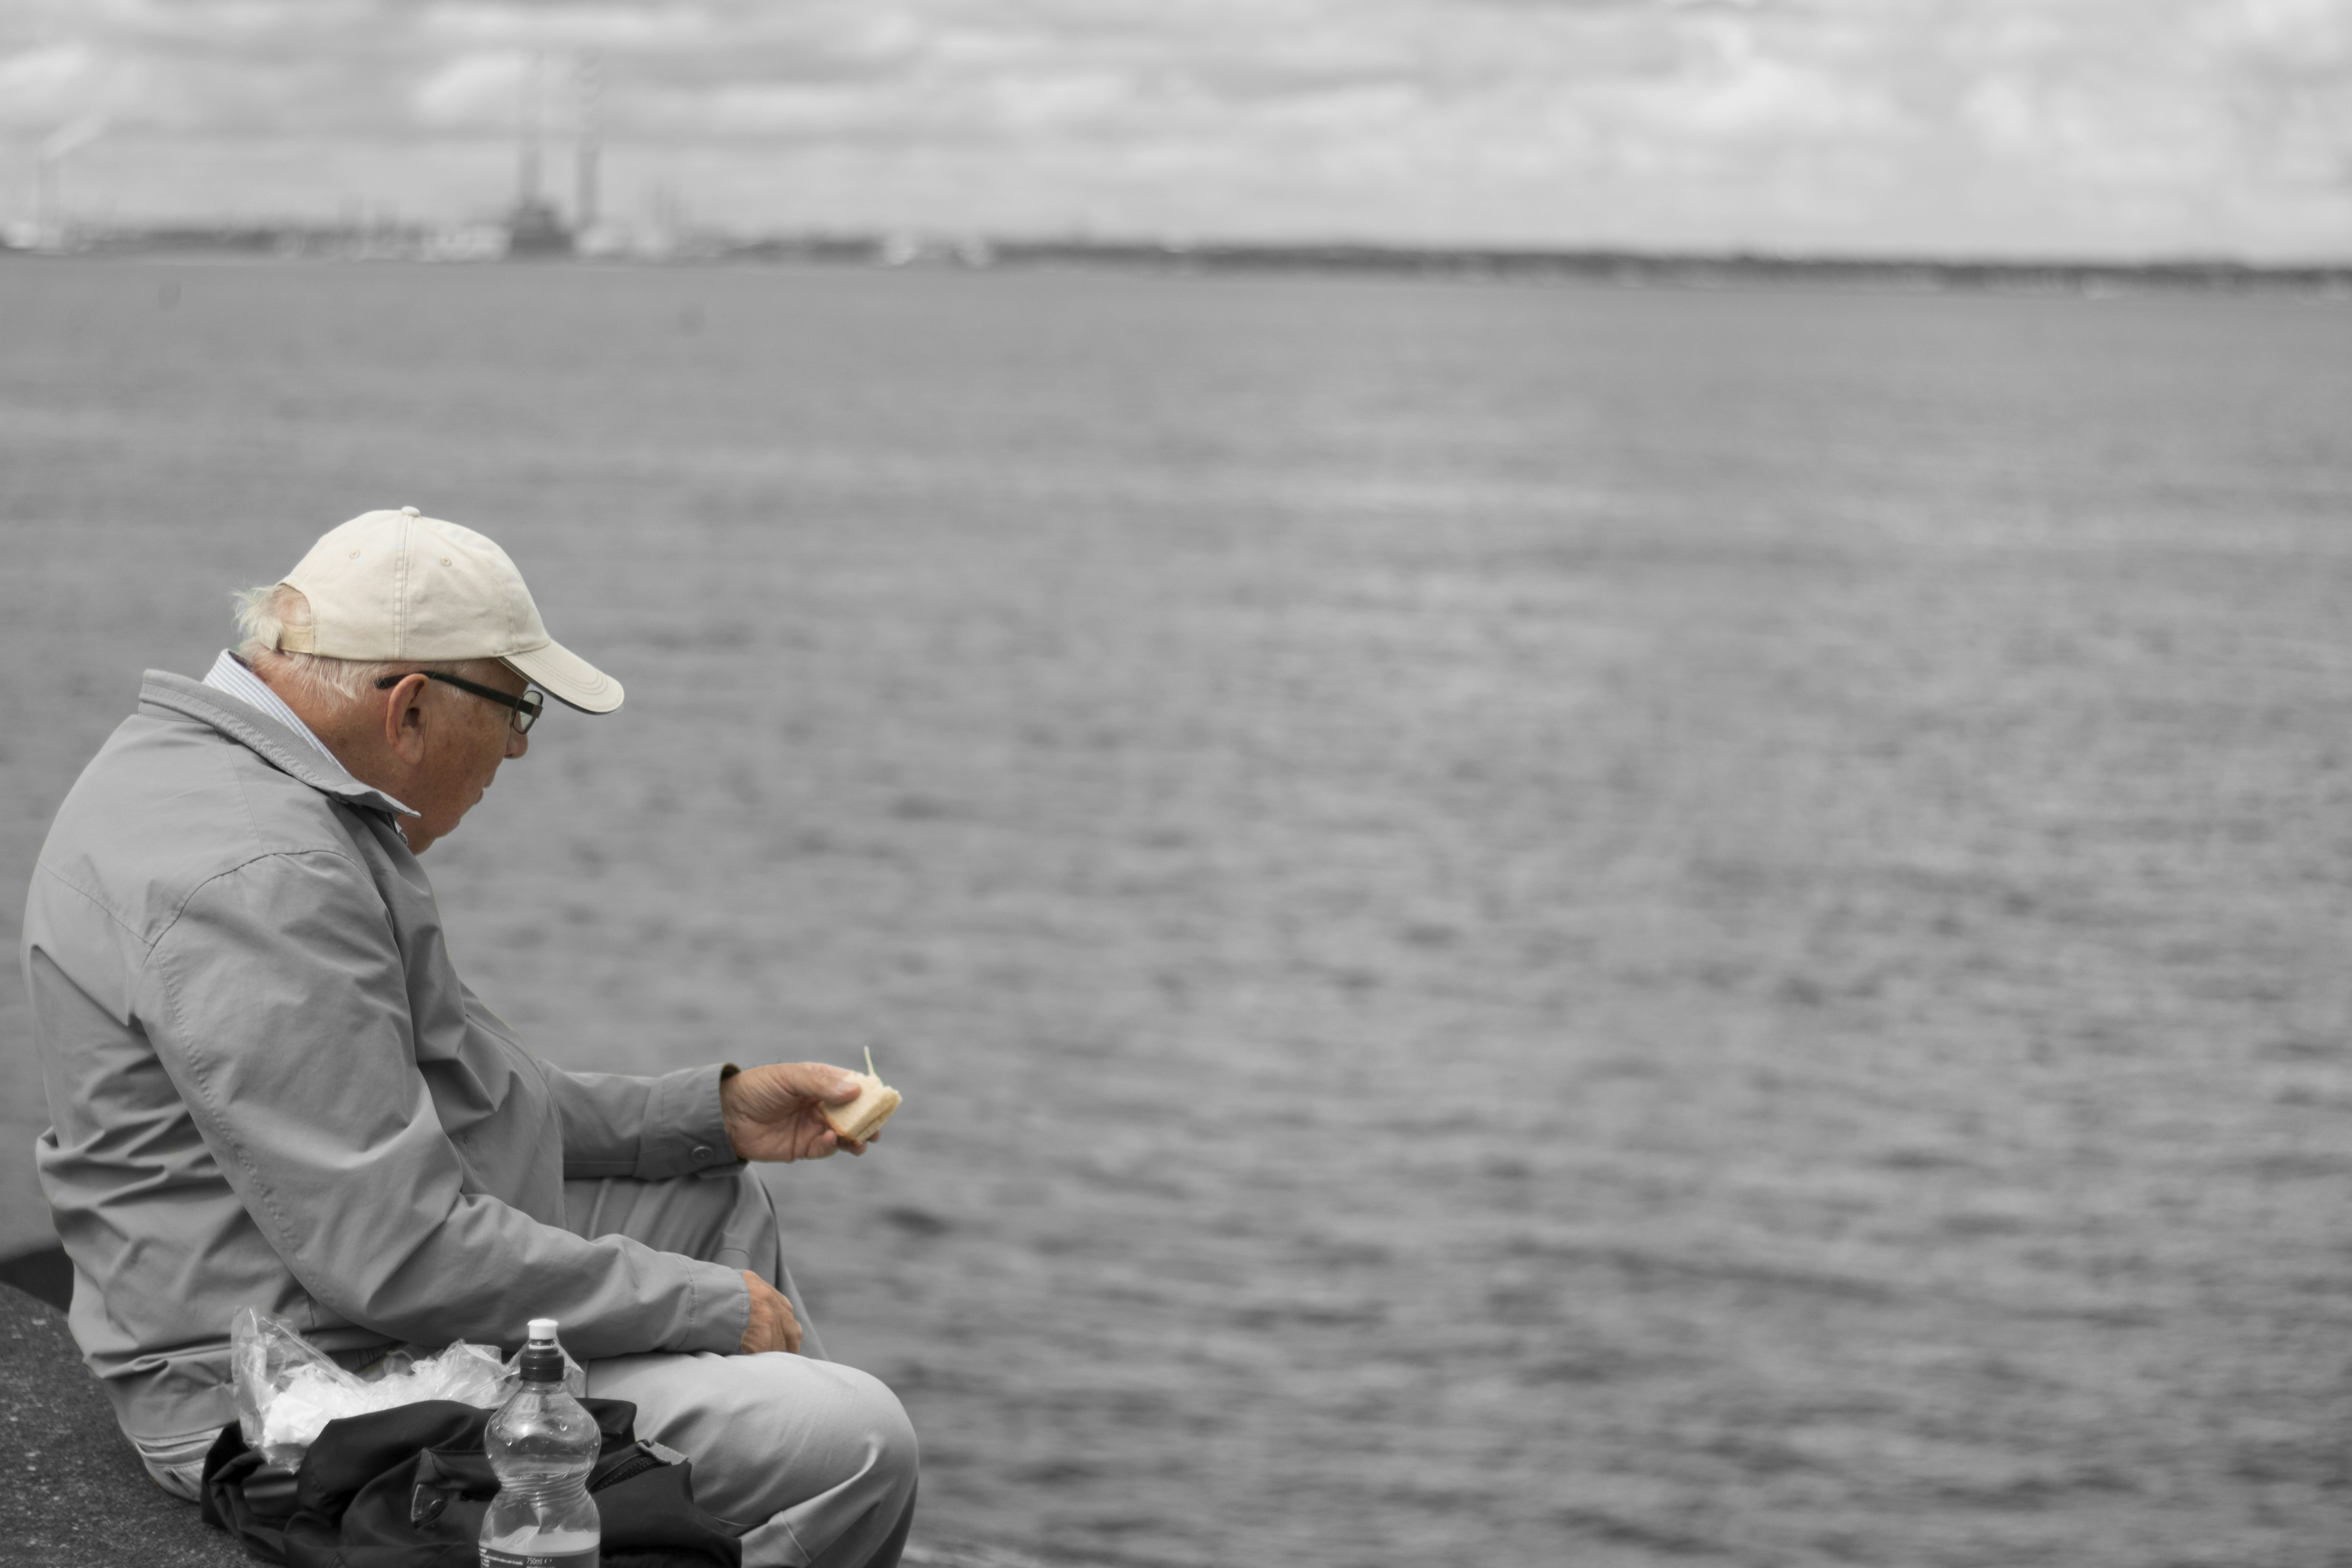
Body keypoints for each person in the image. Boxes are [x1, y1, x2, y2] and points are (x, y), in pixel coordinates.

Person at [20, 508, 917, 1568]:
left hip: (283, 1291)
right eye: (516, 707)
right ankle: (713, 1487)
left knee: (704, 1187)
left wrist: (707, 1116)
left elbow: (452, 1096)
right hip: (303, 1395)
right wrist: (712, 1307)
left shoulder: (219, 778)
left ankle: (666, 1515)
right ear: (407, 706)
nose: (520, 747)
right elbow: (393, 1256)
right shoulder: (267, 877)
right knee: (860, 1441)